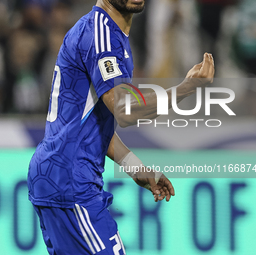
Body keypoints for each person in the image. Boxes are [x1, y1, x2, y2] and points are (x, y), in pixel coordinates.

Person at [27, 0, 215, 254]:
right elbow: (124, 109)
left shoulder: (111, 34)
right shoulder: (101, 35)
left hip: (61, 176)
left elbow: (92, 124)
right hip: (71, 182)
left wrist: (136, 167)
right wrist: (185, 89)